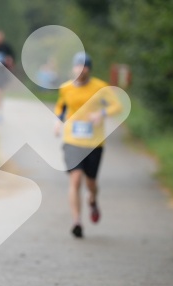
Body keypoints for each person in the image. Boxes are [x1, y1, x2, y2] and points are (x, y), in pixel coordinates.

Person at [54, 52, 121, 238]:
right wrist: (58, 122)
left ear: (89, 69)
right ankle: (77, 221)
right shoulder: (65, 88)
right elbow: (61, 106)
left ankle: (93, 199)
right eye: (77, 66)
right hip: (72, 141)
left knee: (91, 183)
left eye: (84, 66)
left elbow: (117, 105)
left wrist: (101, 114)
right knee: (75, 179)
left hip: (94, 142)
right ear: (73, 68)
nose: (80, 70)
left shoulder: (100, 87)